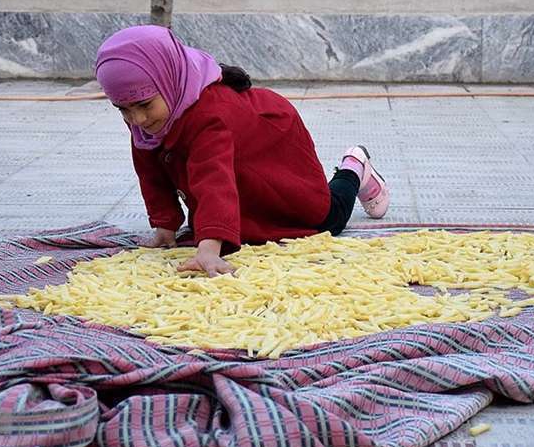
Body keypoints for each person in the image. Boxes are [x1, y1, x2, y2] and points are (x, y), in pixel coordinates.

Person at [94, 26, 390, 276]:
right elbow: (150, 170)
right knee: (241, 223)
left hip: (271, 145)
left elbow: (214, 179)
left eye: (145, 106)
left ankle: (354, 166)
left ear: (168, 78)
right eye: (123, 110)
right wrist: (165, 226)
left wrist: (208, 250)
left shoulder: (210, 114)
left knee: (323, 217)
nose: (138, 120)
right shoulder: (153, 111)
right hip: (238, 161)